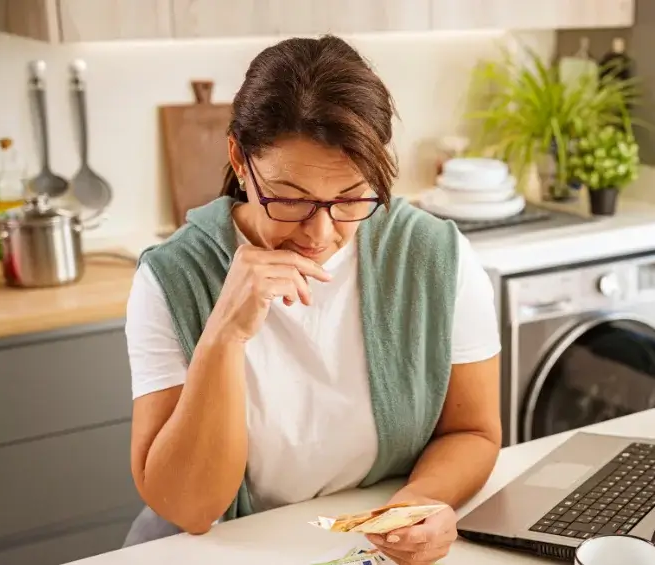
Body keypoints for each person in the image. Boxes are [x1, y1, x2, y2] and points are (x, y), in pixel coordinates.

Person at [122, 36, 502, 565]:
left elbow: (473, 431)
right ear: (238, 158)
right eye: (289, 199)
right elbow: (189, 509)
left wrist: (417, 504)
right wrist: (223, 337)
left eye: (351, 198)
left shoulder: (437, 258)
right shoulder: (170, 278)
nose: (320, 233)